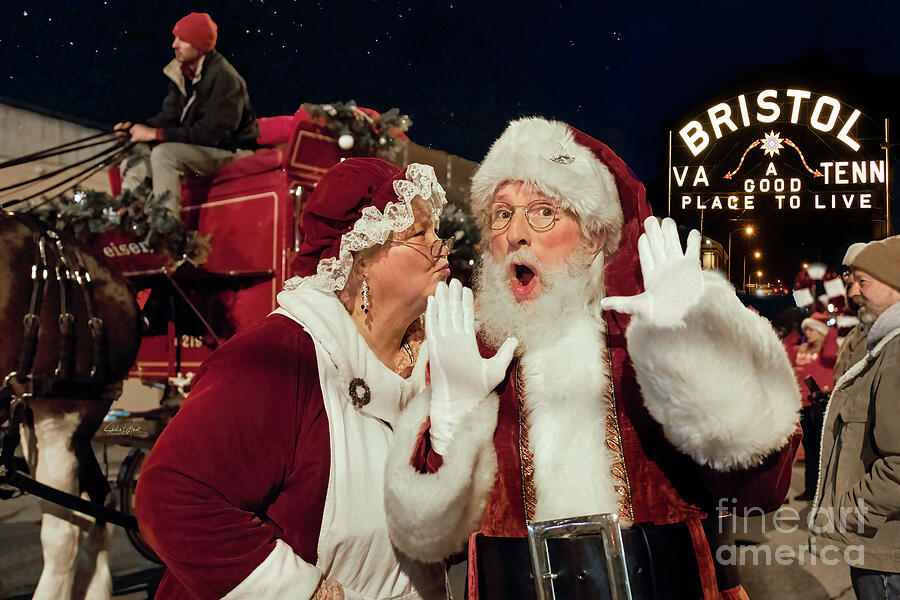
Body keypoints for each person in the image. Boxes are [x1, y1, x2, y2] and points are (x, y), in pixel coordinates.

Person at [384, 117, 801, 599]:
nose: (515, 233)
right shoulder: (473, 352)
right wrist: (451, 419)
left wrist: (692, 356)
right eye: (501, 214)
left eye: (543, 211)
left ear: (594, 237)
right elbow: (432, 541)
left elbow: (759, 493)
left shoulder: (643, 330)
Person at [134, 158, 451, 600]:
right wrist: (303, 592)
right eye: (419, 234)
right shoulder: (282, 356)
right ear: (360, 257)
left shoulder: (440, 361)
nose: (441, 246)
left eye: (436, 230)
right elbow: (172, 497)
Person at [811, 235, 900, 599]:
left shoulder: (895, 355)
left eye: (864, 281)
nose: (852, 292)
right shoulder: (882, 346)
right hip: (879, 546)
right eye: (851, 281)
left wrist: (846, 512)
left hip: (886, 554)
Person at [115, 12, 259, 216]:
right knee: (136, 156)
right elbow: (168, 119)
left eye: (182, 40)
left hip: (232, 151)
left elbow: (214, 135)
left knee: (164, 155)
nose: (174, 45)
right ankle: (131, 223)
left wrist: (156, 135)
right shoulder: (182, 75)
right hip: (201, 148)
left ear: (199, 44)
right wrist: (134, 129)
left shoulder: (226, 79)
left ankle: (165, 226)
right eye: (175, 39)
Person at [784, 312, 837, 501]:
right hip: (802, 405)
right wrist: (797, 329)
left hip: (820, 404)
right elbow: (785, 350)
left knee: (824, 449)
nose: (808, 332)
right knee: (810, 449)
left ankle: (824, 492)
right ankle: (810, 490)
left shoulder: (827, 350)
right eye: (806, 329)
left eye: (812, 329)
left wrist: (827, 330)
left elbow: (832, 351)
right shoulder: (800, 348)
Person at [833, 242, 868, 380]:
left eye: (862, 281)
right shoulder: (856, 333)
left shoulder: (887, 334)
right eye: (849, 283)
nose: (852, 292)